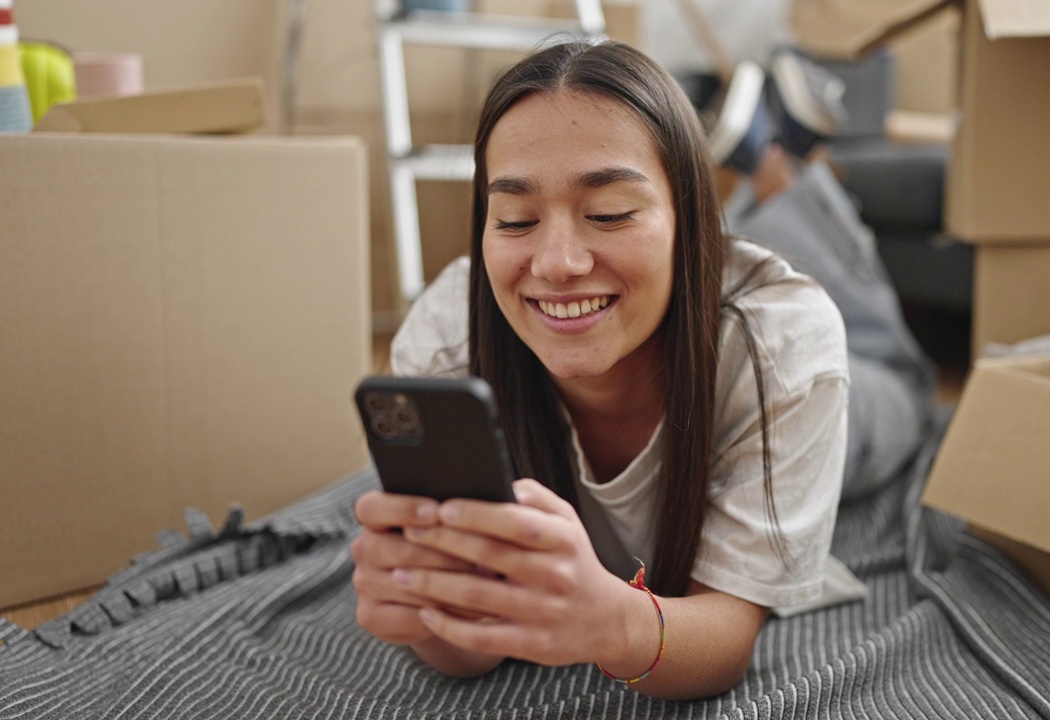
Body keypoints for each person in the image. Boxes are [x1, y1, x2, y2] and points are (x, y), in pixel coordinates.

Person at [350, 38, 933, 701]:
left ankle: (776, 165)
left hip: (818, 389)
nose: (556, 264)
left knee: (902, 381)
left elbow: (726, 635)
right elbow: (469, 642)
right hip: (701, 297)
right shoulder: (449, 341)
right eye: (515, 219)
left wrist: (612, 621)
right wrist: (428, 612)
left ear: (692, 223)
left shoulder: (784, 350)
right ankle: (772, 154)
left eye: (608, 214)